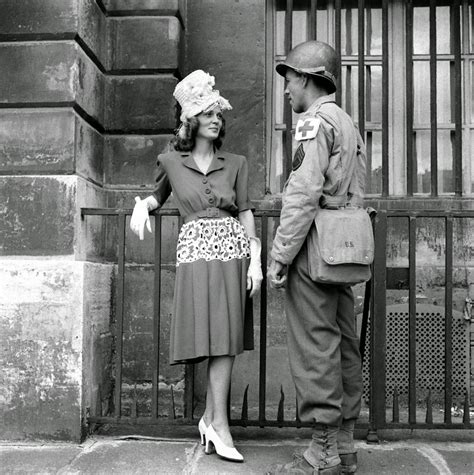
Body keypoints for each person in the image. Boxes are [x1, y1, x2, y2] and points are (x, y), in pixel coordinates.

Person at [130, 70, 263, 463]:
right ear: (191, 120)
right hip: (194, 254)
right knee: (207, 337)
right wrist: (143, 205)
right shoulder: (170, 161)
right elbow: (157, 195)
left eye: (218, 113)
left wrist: (255, 261)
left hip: (232, 254)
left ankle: (217, 425)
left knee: (226, 337)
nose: (215, 118)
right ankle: (213, 423)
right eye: (207, 112)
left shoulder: (235, 162)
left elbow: (245, 211)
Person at [267, 41, 367, 475]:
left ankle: (321, 454)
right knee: (343, 342)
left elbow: (303, 195)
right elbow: (356, 192)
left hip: (313, 245)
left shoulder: (312, 124)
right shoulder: (346, 123)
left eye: (289, 79)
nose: (287, 89)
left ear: (307, 79)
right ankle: (344, 446)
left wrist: (280, 255)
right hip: (343, 247)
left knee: (315, 347)